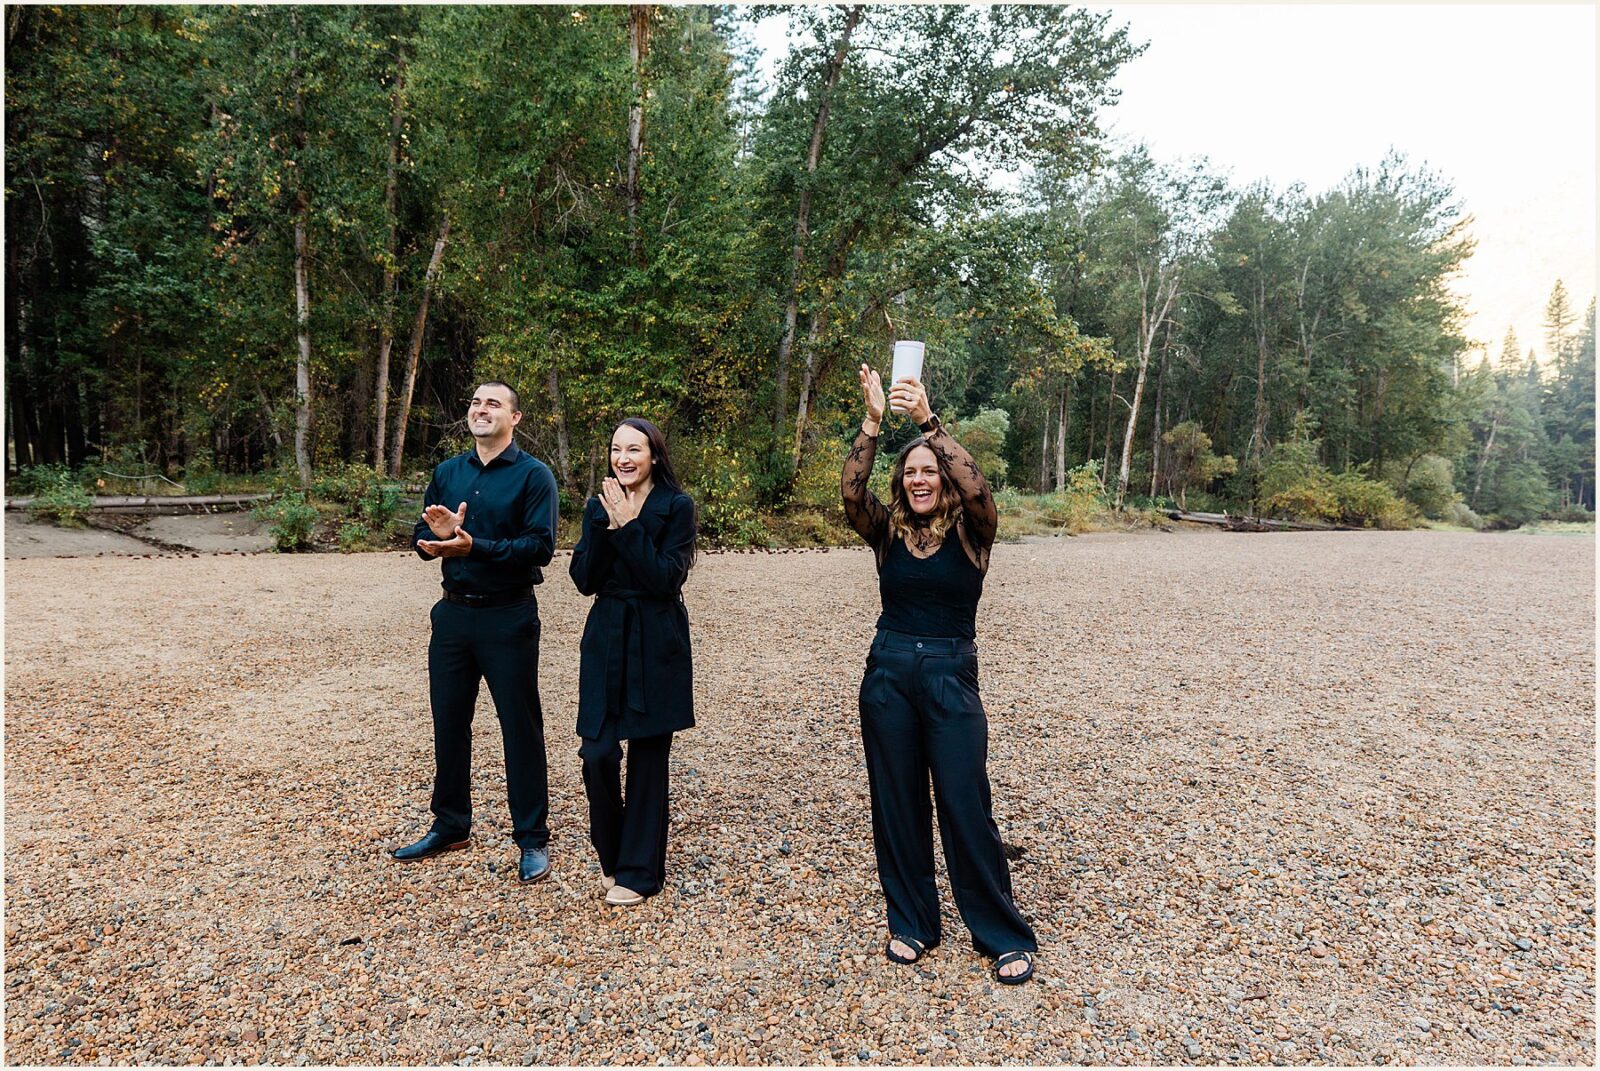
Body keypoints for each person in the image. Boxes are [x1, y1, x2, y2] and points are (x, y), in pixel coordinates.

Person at [840, 364, 1038, 984]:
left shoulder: (975, 530)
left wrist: (926, 420)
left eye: (929, 469)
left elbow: (978, 486)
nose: (920, 478)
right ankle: (913, 922)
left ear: (944, 478)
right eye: (911, 471)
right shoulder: (887, 530)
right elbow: (850, 493)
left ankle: (1000, 932)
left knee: (962, 801)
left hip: (951, 671)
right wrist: (874, 422)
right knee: (895, 801)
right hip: (889, 670)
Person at [394, 380, 560, 885]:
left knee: (520, 727)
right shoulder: (447, 473)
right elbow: (420, 539)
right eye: (475, 402)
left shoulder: (535, 477)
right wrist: (437, 540)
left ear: (516, 418)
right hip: (452, 616)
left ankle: (531, 837)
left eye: (493, 403)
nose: (481, 409)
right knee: (448, 722)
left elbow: (539, 547)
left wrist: (475, 546)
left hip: (507, 616)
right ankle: (450, 825)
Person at [569, 418, 697, 906]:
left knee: (648, 756)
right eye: (616, 449)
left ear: (654, 456)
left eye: (634, 450)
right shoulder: (596, 505)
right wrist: (606, 525)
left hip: (656, 635)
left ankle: (641, 871)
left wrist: (631, 525)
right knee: (596, 752)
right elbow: (583, 578)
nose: (623, 458)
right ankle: (613, 854)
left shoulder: (676, 506)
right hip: (607, 633)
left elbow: (665, 578)